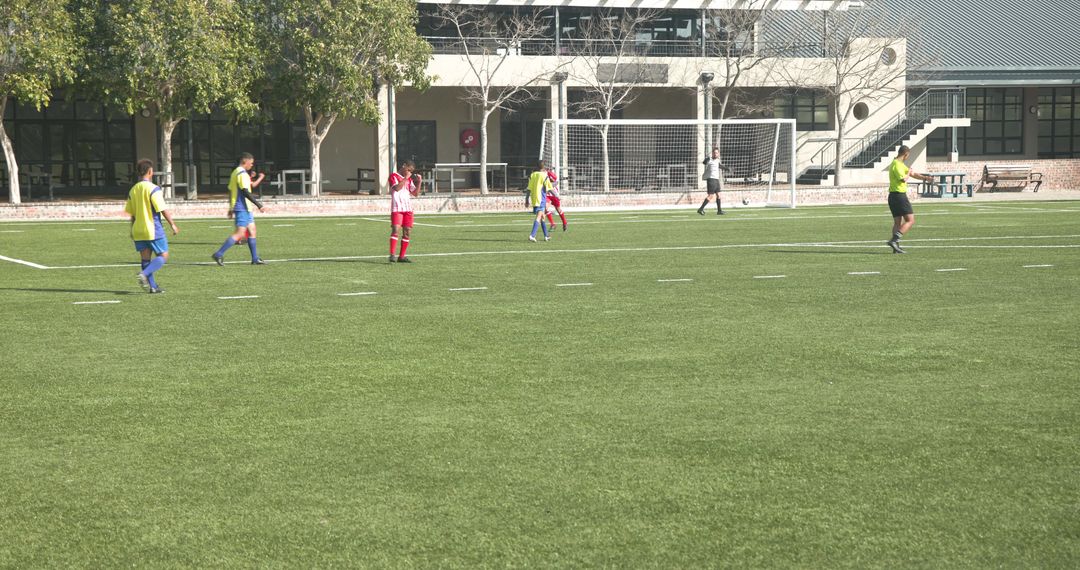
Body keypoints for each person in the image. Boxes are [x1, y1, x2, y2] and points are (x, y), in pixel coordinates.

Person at [125, 159, 179, 294]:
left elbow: (132, 213)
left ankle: (153, 287)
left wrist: (132, 229)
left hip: (138, 229)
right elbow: (162, 208)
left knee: (145, 259)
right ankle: (144, 274)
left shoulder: (133, 190)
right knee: (163, 255)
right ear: (150, 172)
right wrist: (172, 224)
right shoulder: (153, 188)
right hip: (152, 228)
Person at [212, 152, 267, 265]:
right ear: (244, 162)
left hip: (244, 207)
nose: (252, 165)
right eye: (250, 163)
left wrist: (230, 207)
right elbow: (245, 192)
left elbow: (231, 191)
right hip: (242, 207)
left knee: (252, 230)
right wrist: (259, 205)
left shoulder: (235, 173)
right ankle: (218, 254)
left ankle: (255, 258)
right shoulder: (242, 174)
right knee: (240, 233)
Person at [887, 145, 934, 254]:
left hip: (893, 196)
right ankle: (894, 240)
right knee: (910, 220)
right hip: (899, 196)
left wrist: (925, 178)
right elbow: (904, 179)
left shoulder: (899, 164)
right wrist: (908, 172)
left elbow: (913, 174)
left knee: (897, 223)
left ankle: (896, 247)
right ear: (906, 154)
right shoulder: (897, 165)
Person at [388, 159, 421, 263]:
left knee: (407, 233)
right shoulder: (393, 176)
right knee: (395, 230)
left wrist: (419, 182)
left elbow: (415, 194)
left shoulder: (409, 180)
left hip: (408, 209)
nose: (410, 172)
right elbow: (397, 188)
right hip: (397, 208)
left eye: (411, 171)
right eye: (409, 169)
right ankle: (392, 255)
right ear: (404, 166)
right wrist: (406, 178)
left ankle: (401, 257)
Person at [236, 163, 266, 245]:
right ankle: (239, 239)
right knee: (247, 224)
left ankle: (241, 239)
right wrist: (261, 177)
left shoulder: (243, 175)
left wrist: (252, 177)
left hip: (244, 203)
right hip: (244, 203)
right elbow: (253, 185)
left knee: (246, 223)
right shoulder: (243, 175)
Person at [698, 147, 732, 215]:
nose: (715, 154)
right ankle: (701, 209)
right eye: (714, 153)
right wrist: (706, 159)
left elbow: (719, 166)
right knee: (710, 196)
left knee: (719, 195)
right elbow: (705, 163)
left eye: (717, 153)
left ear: (718, 154)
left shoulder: (717, 160)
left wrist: (727, 169)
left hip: (716, 180)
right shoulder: (709, 159)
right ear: (712, 153)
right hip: (711, 179)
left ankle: (719, 211)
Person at [525, 161, 552, 242]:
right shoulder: (544, 175)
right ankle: (532, 235)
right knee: (539, 216)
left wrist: (526, 199)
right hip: (541, 199)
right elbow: (550, 188)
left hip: (534, 199)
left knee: (543, 216)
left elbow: (529, 189)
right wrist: (557, 196)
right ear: (543, 167)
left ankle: (546, 235)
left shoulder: (532, 175)